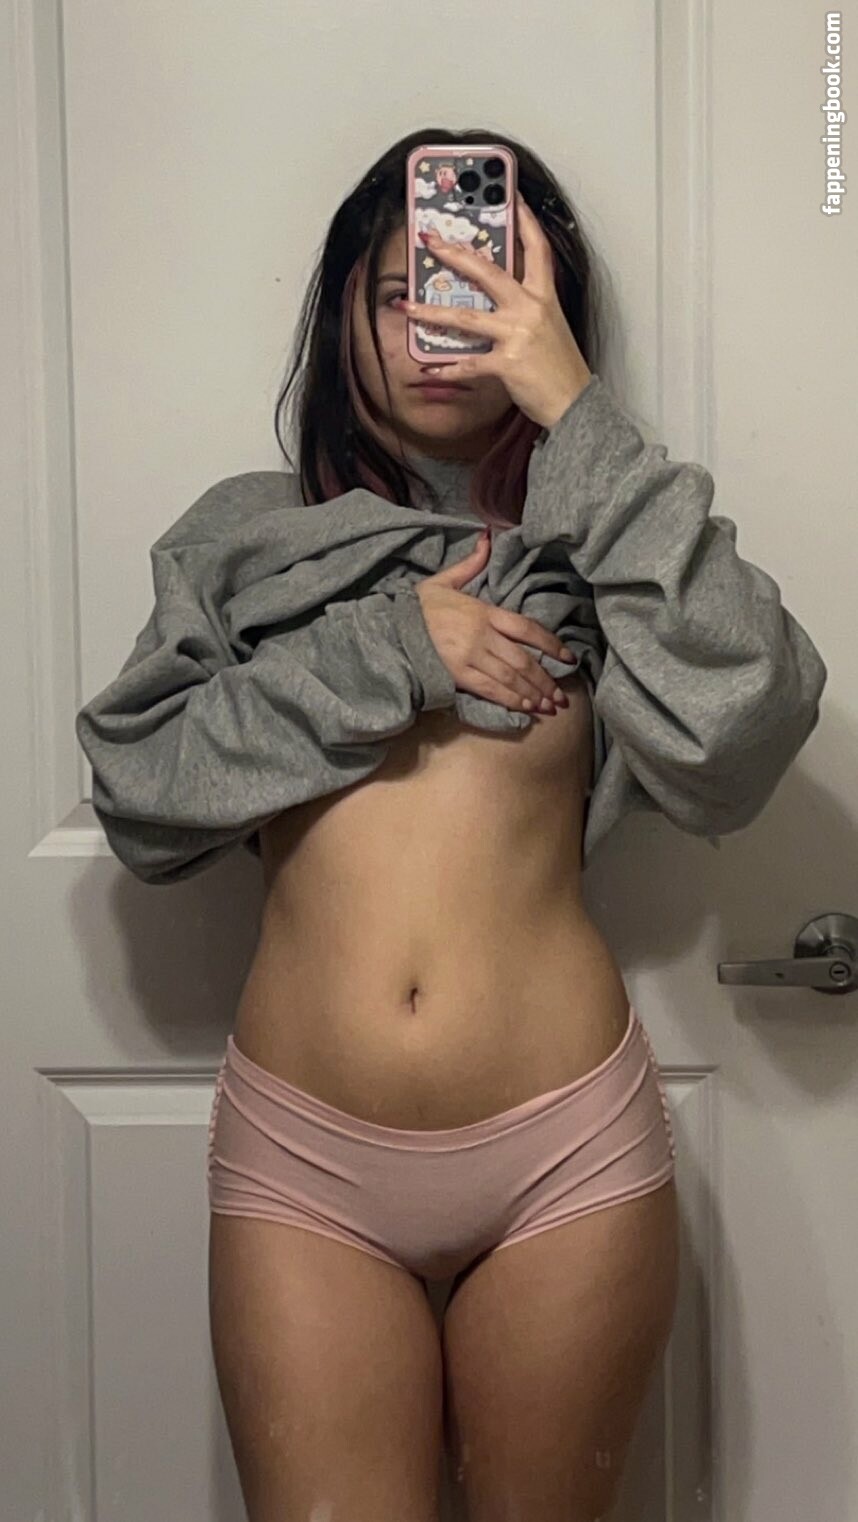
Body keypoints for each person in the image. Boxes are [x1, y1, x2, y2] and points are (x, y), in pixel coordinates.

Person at [78, 126, 825, 1522]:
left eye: (486, 288)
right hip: (304, 1162)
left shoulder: (597, 546)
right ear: (339, 322)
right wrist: (391, 649)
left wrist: (577, 414)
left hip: (564, 1154)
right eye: (399, 292)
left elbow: (746, 725)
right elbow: (140, 791)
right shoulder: (244, 538)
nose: (438, 328)